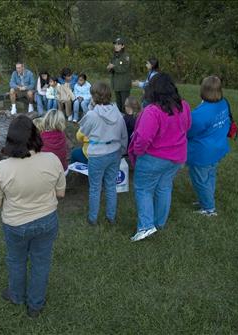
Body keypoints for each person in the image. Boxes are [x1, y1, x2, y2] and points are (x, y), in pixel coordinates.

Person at [0, 115, 66, 318]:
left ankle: (16, 295)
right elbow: (60, 193)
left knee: (16, 260)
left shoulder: (1, 169)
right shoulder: (52, 160)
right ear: (35, 135)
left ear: (10, 139)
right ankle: (35, 305)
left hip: (15, 224)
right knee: (41, 262)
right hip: (47, 220)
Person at [129, 73, 191, 242]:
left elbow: (142, 139)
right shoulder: (183, 105)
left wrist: (138, 152)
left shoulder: (152, 112)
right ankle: (159, 223)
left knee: (144, 189)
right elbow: (187, 126)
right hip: (176, 158)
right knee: (164, 187)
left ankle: (146, 226)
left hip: (153, 158)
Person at [79, 82, 128, 226]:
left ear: (94, 97)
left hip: (97, 155)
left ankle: (93, 218)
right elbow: (124, 135)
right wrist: (122, 151)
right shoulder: (118, 112)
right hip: (114, 152)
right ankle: (110, 217)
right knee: (111, 186)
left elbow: (83, 131)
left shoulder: (92, 115)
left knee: (95, 187)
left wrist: (90, 110)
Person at [187, 76, 231, 217]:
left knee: (200, 180)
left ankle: (209, 208)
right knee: (210, 175)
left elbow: (189, 133)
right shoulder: (224, 103)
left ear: (203, 90)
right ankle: (206, 199)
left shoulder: (200, 114)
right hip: (218, 147)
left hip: (203, 153)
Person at [107, 37, 131, 113]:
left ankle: (127, 121)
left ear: (123, 46)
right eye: (115, 44)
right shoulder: (114, 56)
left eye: (118, 44)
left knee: (125, 105)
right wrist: (109, 68)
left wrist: (114, 67)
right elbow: (111, 68)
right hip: (116, 84)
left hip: (124, 84)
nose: (116, 46)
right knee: (118, 105)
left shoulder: (126, 56)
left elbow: (125, 68)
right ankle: (120, 120)